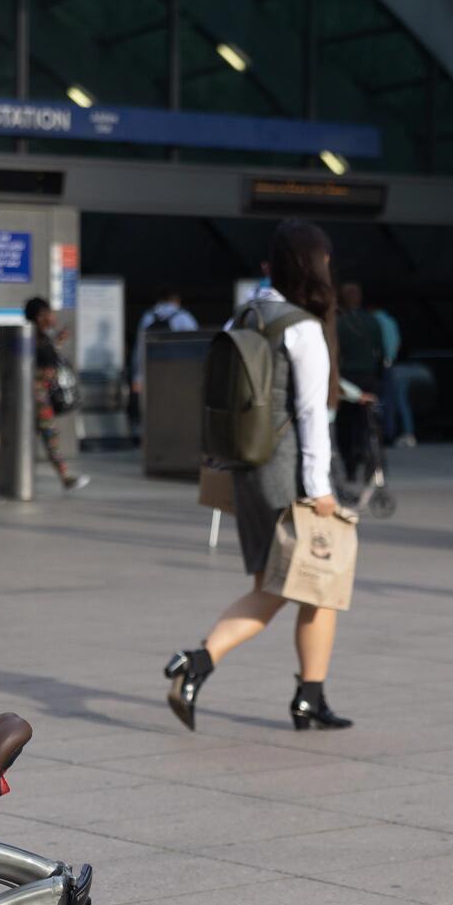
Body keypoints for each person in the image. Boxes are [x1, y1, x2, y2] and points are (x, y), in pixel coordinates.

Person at [162, 220, 352, 732]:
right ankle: (200, 658)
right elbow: (312, 412)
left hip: (248, 466)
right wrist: (321, 490)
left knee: (304, 586)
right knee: (299, 583)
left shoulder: (244, 314)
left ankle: (311, 695)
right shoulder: (303, 327)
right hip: (290, 472)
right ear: (313, 265)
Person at [26, 296, 87, 492]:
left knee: (35, 436)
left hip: (41, 396)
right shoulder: (31, 338)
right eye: (49, 313)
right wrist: (45, 374)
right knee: (49, 436)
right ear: (40, 316)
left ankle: (64, 476)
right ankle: (65, 477)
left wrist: (58, 342)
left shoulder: (43, 338)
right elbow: (28, 368)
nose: (53, 317)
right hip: (38, 397)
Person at [130, 286, 197, 442]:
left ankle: (155, 438)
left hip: (152, 371)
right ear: (177, 301)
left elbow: (139, 349)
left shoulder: (148, 317)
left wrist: (137, 377)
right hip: (178, 371)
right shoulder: (184, 317)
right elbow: (195, 346)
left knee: (154, 407)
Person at [334, 280, 385, 479]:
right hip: (369, 376)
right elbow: (380, 351)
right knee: (369, 423)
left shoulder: (339, 323)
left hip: (346, 377)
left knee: (345, 424)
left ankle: (350, 464)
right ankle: (370, 462)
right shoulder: (372, 322)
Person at [374, 303, 416, 447]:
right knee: (401, 401)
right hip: (398, 363)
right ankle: (407, 432)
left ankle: (388, 432)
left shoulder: (376, 321)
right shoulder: (392, 322)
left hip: (388, 365)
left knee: (387, 400)